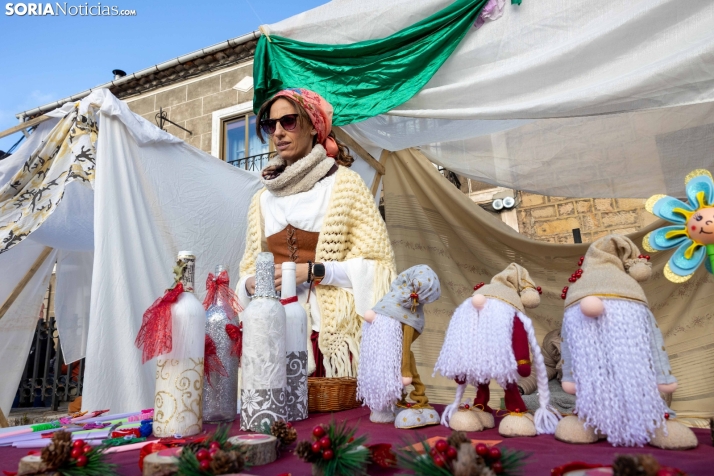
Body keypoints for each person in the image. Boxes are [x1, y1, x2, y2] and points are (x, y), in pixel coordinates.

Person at [237, 88, 396, 378]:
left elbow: (378, 269)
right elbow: (249, 266)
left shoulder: (345, 186)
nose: (278, 133)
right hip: (275, 337)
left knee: (339, 421)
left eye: (288, 121)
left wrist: (312, 271)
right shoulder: (262, 199)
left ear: (313, 125)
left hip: (330, 338)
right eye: (270, 125)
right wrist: (249, 282)